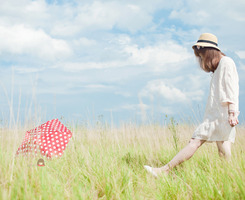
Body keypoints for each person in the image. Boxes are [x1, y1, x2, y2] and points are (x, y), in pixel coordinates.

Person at [144, 33, 240, 177]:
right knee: (223, 149)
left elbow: (231, 88)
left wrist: (232, 113)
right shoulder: (219, 67)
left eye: (202, 54)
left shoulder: (226, 62)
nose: (201, 58)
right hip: (216, 115)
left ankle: (163, 171)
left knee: (195, 142)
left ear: (209, 51)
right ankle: (230, 178)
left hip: (221, 115)